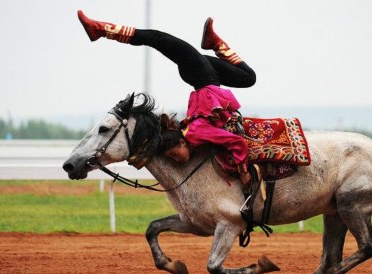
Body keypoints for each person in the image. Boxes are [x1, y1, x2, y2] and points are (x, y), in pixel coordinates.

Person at [77, 10, 254, 186]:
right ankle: (214, 43)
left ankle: (100, 29)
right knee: (247, 77)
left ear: (182, 142)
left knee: (157, 38)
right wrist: (243, 168)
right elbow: (232, 141)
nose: (176, 160)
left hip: (201, 76)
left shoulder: (194, 132)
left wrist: (243, 168)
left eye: (174, 154)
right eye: (173, 157)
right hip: (204, 79)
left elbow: (233, 141)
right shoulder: (194, 135)